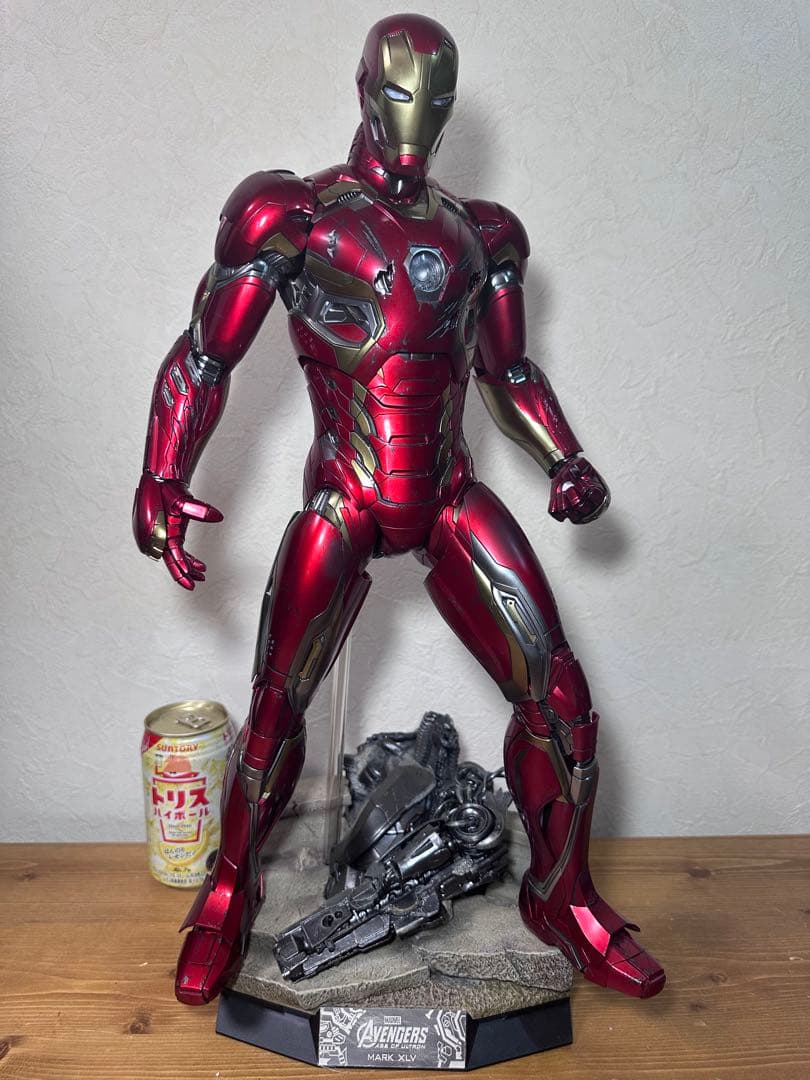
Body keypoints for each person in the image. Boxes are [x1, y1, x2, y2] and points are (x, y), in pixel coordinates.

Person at [133, 13, 665, 1005]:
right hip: (346, 495)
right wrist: (162, 470)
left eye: (435, 99)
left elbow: (509, 372)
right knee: (273, 712)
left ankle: (563, 898)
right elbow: (205, 354)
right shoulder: (294, 217)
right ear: (364, 90)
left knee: (559, 700)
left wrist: (565, 459)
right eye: (398, 93)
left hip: (448, 491)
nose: (416, 118)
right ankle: (228, 897)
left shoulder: (482, 233)